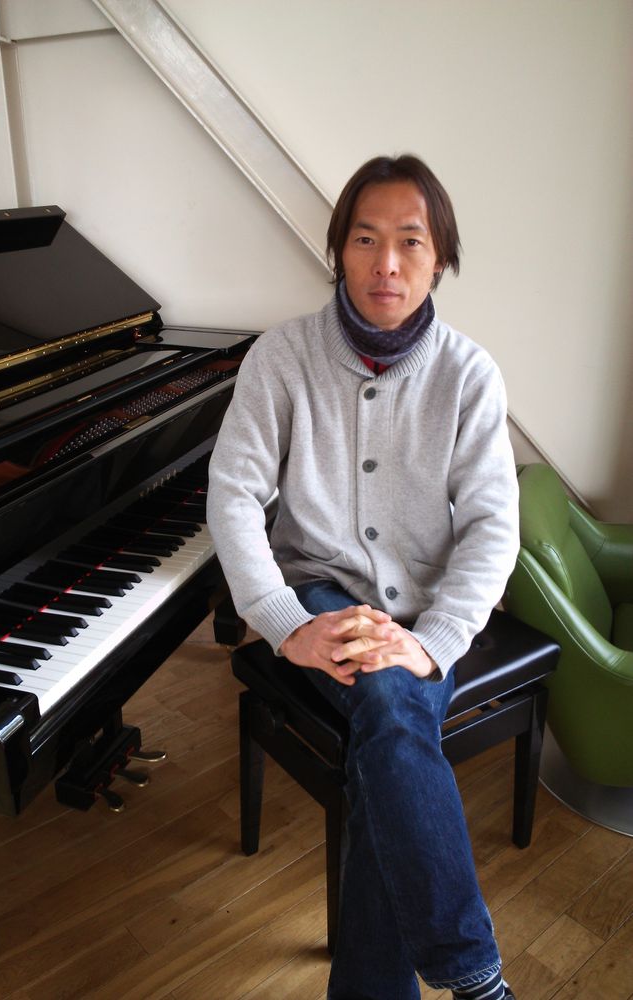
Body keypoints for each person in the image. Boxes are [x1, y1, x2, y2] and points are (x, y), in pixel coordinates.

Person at [207, 154, 519, 1000]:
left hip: (427, 602)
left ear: (439, 258)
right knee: (387, 700)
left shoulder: (468, 374)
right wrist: (282, 619)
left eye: (410, 242)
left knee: (390, 703)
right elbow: (232, 494)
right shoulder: (282, 356)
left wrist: (435, 640)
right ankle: (476, 974)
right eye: (365, 239)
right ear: (339, 250)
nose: (387, 264)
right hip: (321, 588)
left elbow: (494, 527)